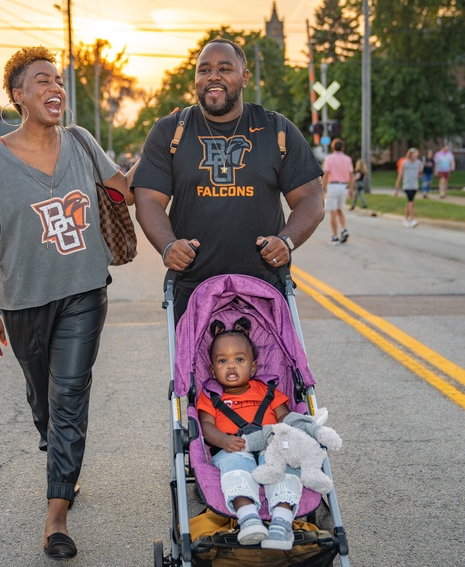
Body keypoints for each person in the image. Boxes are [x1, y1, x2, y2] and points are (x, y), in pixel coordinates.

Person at [0, 45, 136, 560]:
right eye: (41, 81)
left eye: (58, 80)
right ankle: (59, 454)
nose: (54, 88)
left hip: (84, 292)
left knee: (69, 397)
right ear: (18, 95)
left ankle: (56, 515)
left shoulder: (83, 143)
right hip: (22, 303)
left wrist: (160, 147)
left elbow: (126, 193)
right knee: (44, 402)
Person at [133, 38, 324, 322]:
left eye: (225, 69)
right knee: (194, 368)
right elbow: (148, 198)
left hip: (264, 287)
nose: (213, 77)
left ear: (245, 77)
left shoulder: (277, 129)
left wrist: (286, 241)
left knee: (268, 367)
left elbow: (311, 198)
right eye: (204, 70)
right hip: (192, 288)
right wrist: (167, 245)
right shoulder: (170, 131)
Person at [196, 317, 302, 550]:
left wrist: (293, 430)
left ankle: (281, 524)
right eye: (222, 360)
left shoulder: (267, 389)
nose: (231, 366)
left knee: (283, 461)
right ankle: (249, 518)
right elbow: (206, 425)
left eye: (239, 359)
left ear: (253, 366)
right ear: (212, 369)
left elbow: (284, 416)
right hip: (233, 447)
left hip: (269, 444)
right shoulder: (211, 395)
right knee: (235, 463)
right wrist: (223, 440)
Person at [322, 138, 355, 245]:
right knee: (340, 209)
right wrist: (351, 189)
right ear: (343, 147)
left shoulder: (329, 159)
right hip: (344, 186)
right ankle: (344, 229)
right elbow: (351, 176)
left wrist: (323, 187)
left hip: (333, 186)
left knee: (332, 212)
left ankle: (335, 236)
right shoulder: (347, 159)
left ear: (332, 147)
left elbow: (326, 174)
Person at [394, 148, 421, 228]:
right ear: (410, 155)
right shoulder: (405, 163)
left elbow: (419, 173)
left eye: (416, 155)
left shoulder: (418, 163)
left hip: (414, 185)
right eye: (414, 154)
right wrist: (397, 188)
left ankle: (405, 219)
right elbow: (400, 175)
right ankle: (412, 219)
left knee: (410, 203)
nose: (415, 156)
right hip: (407, 185)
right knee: (410, 202)